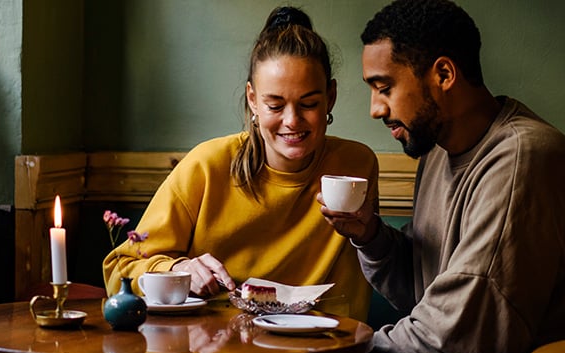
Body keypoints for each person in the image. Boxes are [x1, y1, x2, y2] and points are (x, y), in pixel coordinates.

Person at [312, 0, 565, 353]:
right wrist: (369, 237)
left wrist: (332, 352)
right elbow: (428, 298)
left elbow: (465, 335)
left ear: (443, 74)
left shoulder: (524, 157)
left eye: (384, 88)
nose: (375, 109)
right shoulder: (437, 153)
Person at [102, 6, 379, 321]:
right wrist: (177, 269)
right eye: (275, 104)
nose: (292, 121)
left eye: (309, 104)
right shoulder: (206, 167)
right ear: (252, 99)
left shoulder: (356, 166)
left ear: (331, 96)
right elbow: (119, 269)